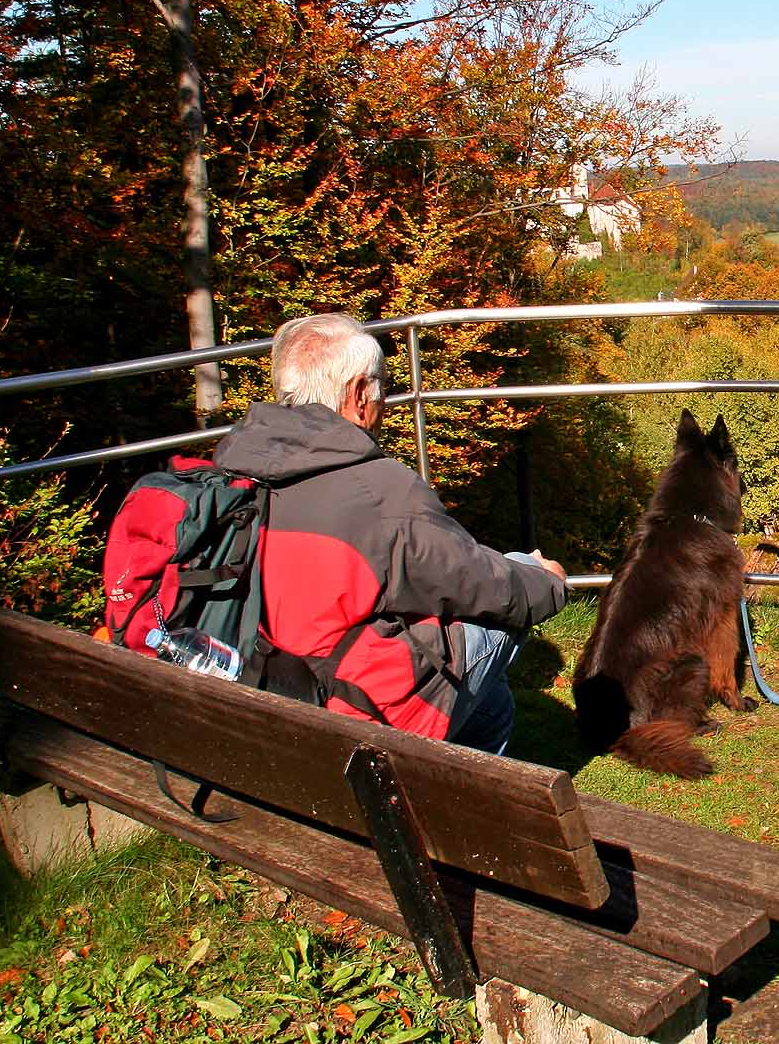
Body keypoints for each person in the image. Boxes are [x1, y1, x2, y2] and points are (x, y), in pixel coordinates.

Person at [213, 312, 566, 753]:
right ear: (359, 394)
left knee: (489, 697)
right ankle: (463, 783)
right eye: (383, 388)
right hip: (349, 708)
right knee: (511, 587)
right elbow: (480, 583)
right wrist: (547, 580)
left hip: (264, 680)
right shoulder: (378, 492)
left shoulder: (233, 470)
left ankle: (476, 755)